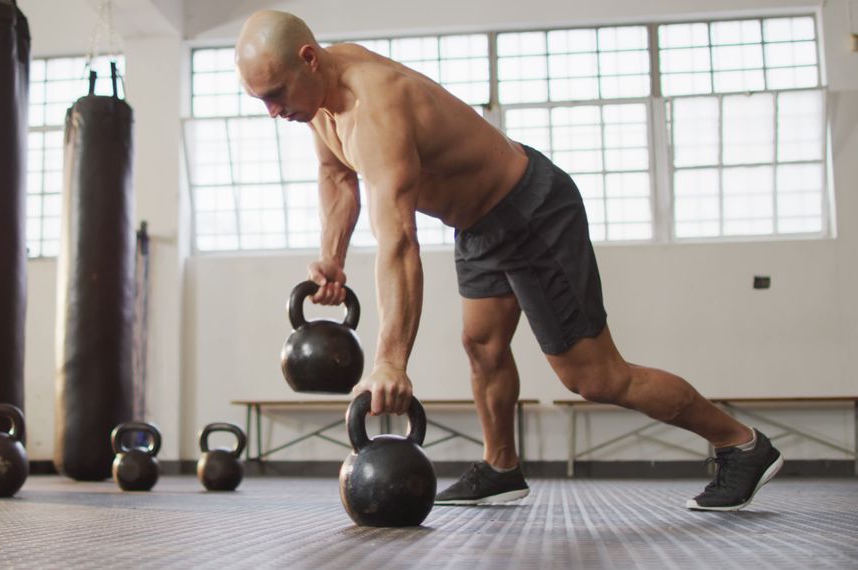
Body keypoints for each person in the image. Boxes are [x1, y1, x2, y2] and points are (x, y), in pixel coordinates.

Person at [235, 10, 783, 511]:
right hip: (478, 224)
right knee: (482, 344)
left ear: (308, 58)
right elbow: (336, 175)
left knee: (594, 377)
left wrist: (390, 361)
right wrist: (331, 258)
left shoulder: (375, 108)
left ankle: (741, 444)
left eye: (277, 94)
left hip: (532, 212)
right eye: (262, 99)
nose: (273, 111)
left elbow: (399, 242)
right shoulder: (319, 97)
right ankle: (502, 467)